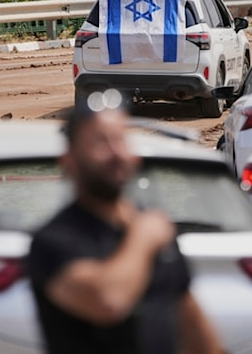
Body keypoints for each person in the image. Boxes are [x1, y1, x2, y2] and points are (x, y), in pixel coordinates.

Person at [27, 105, 222, 354]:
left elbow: (190, 321)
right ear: (69, 161)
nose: (116, 153)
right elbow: (107, 301)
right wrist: (143, 237)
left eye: (120, 140)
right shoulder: (55, 241)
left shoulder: (154, 228)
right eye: (100, 142)